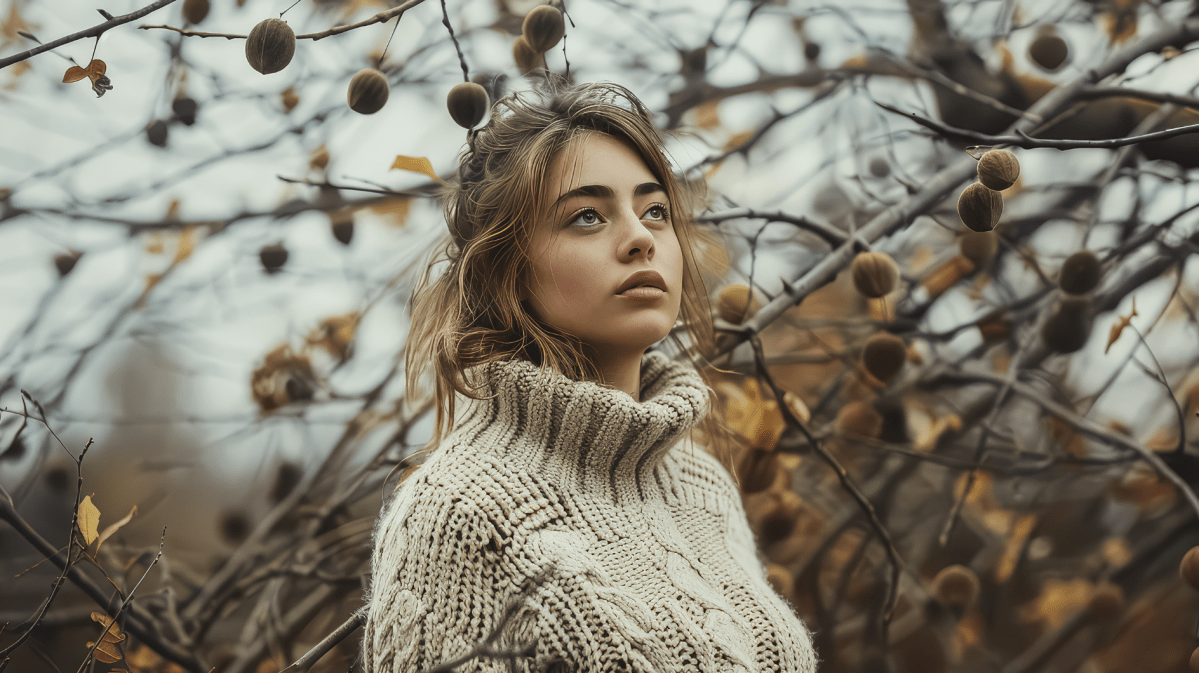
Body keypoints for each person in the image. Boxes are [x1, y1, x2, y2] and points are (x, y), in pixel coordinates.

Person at [361, 75, 818, 673]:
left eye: (655, 210)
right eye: (586, 217)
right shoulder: (458, 512)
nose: (640, 239)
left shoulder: (703, 485)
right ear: (508, 272)